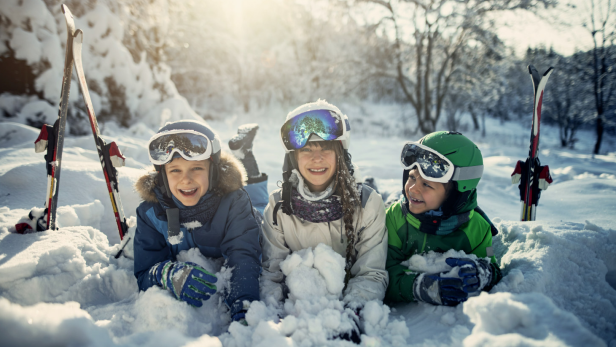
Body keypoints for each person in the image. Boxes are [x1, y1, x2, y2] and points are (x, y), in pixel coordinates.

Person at [261, 100, 388, 342]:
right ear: (294, 158)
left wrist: (354, 311)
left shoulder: (368, 204)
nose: (316, 158)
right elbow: (271, 274)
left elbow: (371, 273)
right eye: (307, 149)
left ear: (340, 153)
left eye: (325, 148)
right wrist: (274, 315)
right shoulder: (278, 208)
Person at [133, 120, 262, 324]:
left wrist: (243, 304)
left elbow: (243, 255)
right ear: (163, 175)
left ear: (213, 171)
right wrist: (165, 273)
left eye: (196, 168)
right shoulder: (150, 214)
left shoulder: (234, 202)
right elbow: (144, 271)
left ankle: (246, 156)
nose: (186, 179)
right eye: (175, 170)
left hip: (249, 215)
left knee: (260, 204)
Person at [385, 131, 502, 306]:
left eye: (426, 184)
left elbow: (493, 265)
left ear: (456, 194)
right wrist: (419, 287)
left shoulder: (478, 229)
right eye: (411, 177)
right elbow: (383, 272)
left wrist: (482, 273)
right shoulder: (395, 218)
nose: (413, 189)